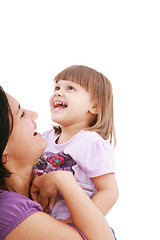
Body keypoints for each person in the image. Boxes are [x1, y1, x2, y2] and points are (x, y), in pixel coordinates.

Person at [0, 86, 116, 240]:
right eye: (21, 114)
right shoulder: (9, 211)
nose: (34, 115)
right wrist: (63, 179)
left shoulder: (31, 191)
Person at [32, 65, 119, 223]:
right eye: (57, 87)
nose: (58, 92)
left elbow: (109, 192)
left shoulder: (90, 142)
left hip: (75, 228)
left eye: (70, 88)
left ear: (94, 107)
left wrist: (73, 223)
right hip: (45, 223)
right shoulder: (46, 137)